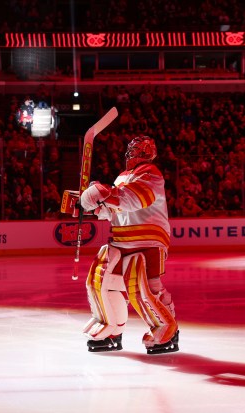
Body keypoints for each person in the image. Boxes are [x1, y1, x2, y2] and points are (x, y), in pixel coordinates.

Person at [79, 135, 179, 354]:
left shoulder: (151, 173)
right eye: (131, 150)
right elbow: (116, 207)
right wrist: (95, 206)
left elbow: (134, 199)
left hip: (148, 239)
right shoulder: (123, 177)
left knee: (143, 288)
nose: (131, 154)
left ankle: (165, 328)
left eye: (137, 150)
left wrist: (103, 193)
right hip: (120, 239)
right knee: (100, 279)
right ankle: (111, 327)